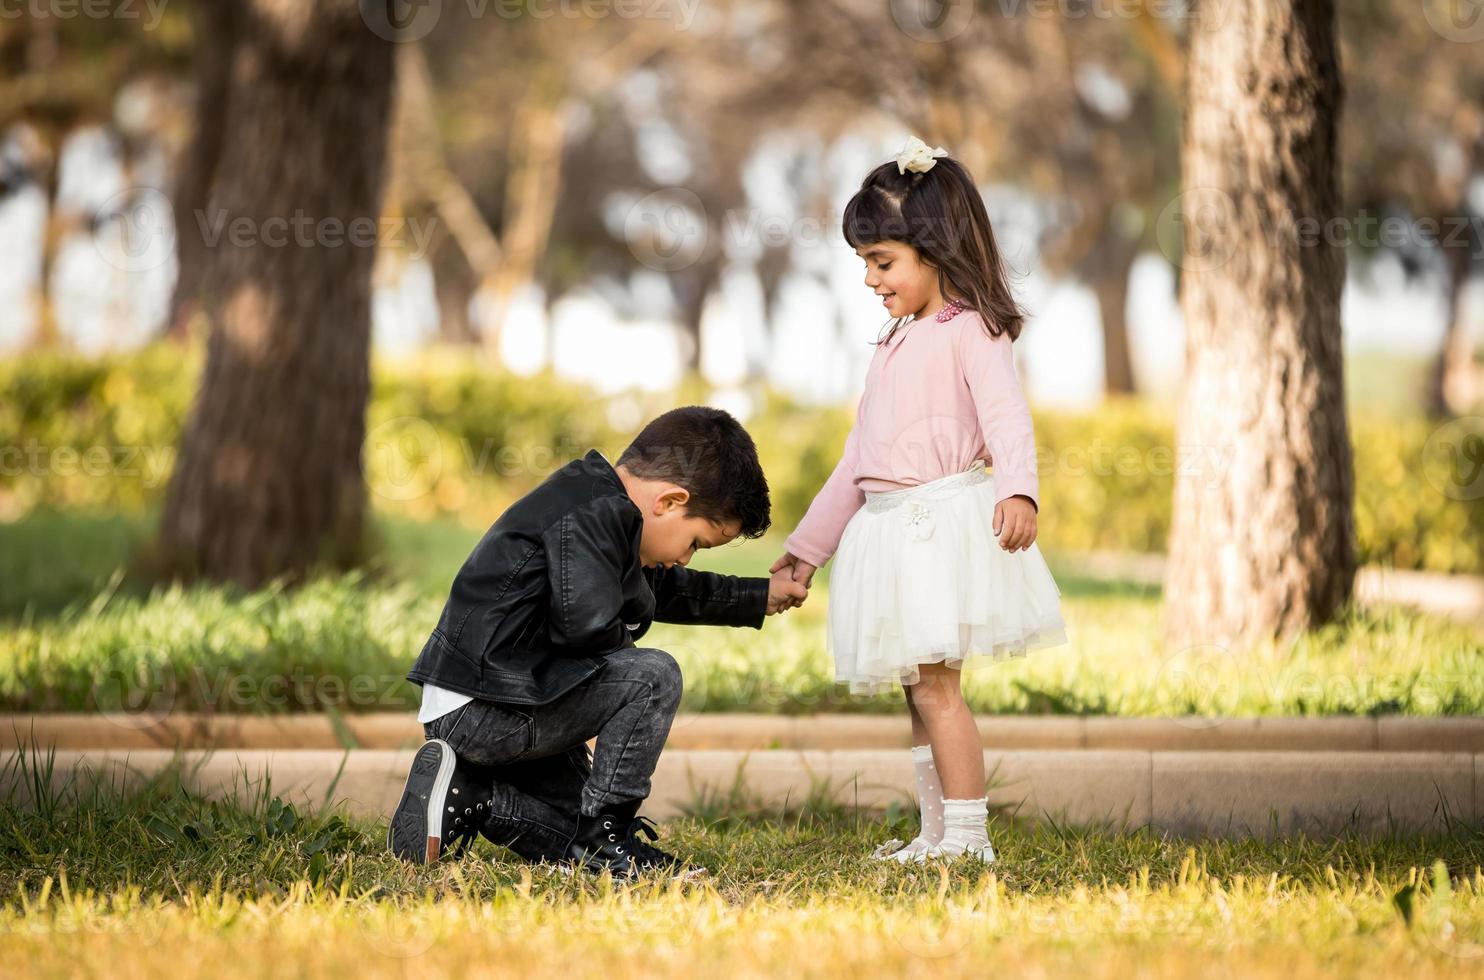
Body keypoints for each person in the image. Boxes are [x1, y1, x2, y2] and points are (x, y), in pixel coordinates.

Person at [772, 137, 1068, 864]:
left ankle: (968, 837)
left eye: (883, 262)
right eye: (865, 264)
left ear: (935, 248)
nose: (871, 279)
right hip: (888, 532)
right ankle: (934, 834)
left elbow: (1007, 417)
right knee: (916, 690)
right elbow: (859, 460)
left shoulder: (970, 329)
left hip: (938, 527)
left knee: (937, 688)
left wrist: (1019, 489)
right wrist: (807, 549)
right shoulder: (893, 342)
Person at [389, 406, 808, 877]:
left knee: (579, 824)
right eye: (695, 543)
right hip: (486, 710)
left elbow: (660, 591)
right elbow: (586, 627)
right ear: (669, 501)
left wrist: (757, 596)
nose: (687, 559)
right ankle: (608, 841)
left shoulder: (599, 507)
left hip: (504, 702)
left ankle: (473, 797)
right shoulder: (594, 513)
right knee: (651, 677)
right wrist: (625, 694)